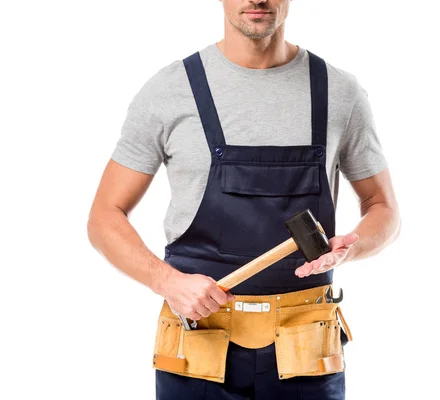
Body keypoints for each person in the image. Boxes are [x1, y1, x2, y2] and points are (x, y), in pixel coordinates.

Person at [87, 0, 401, 398]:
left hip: (305, 346)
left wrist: (350, 249)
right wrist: (167, 281)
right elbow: (103, 217)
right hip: (199, 342)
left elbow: (383, 206)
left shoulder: (340, 93)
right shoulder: (169, 91)